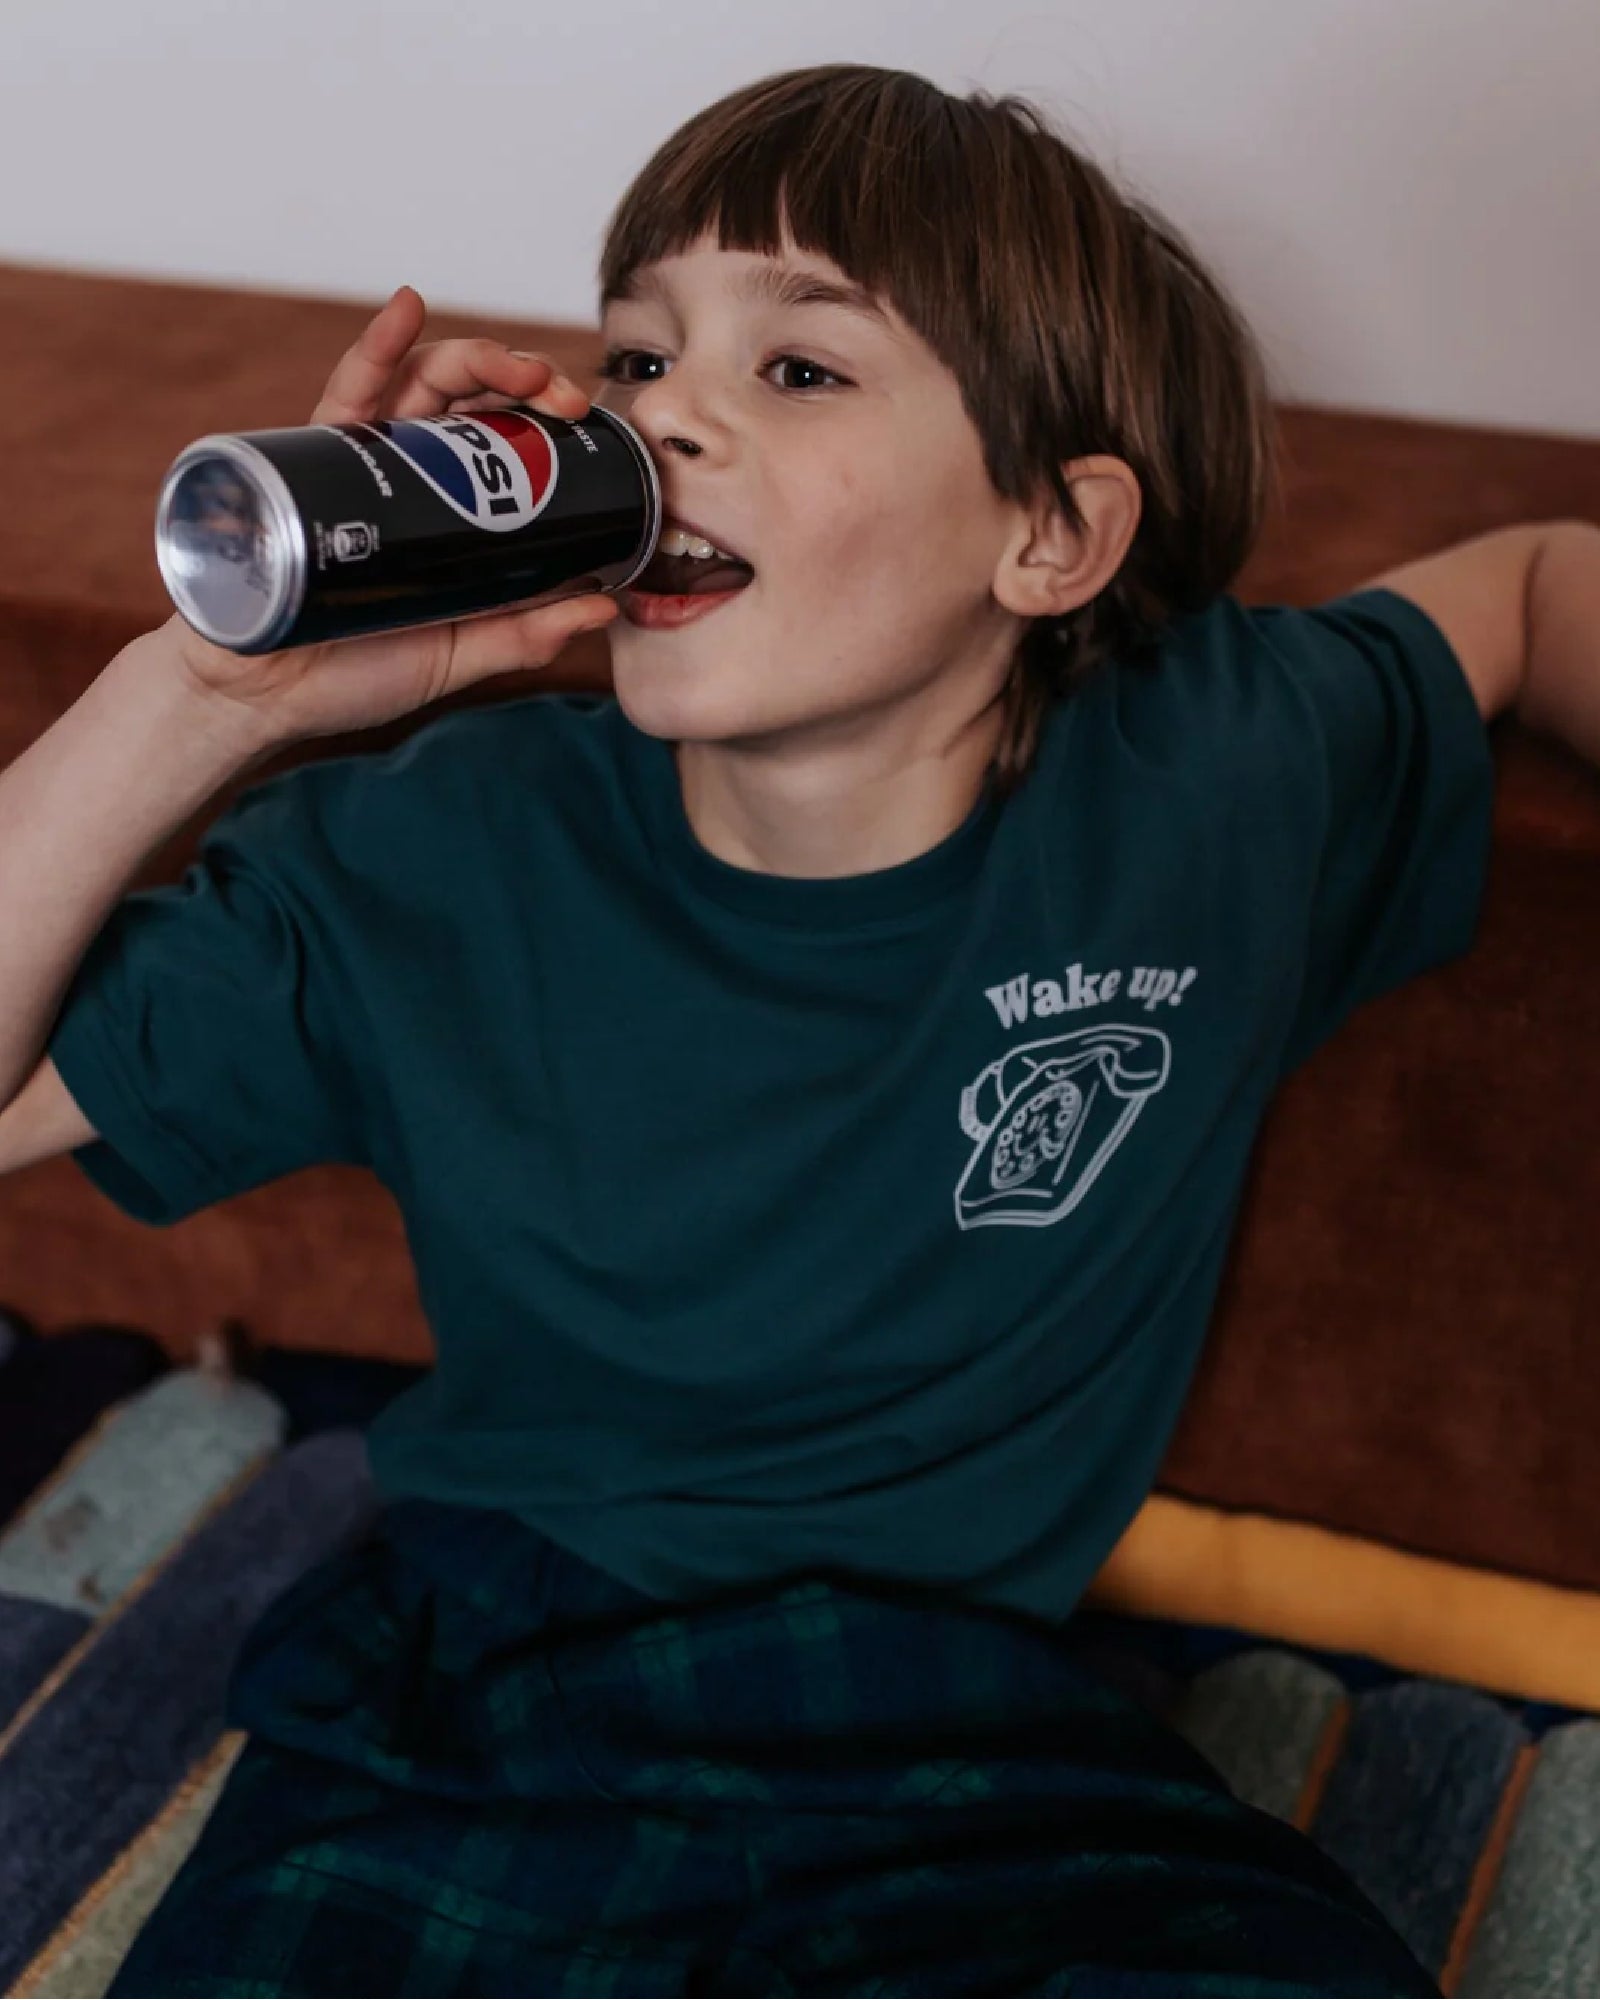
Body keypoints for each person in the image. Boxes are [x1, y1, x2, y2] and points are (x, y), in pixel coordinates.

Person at [0, 60, 1499, 1995]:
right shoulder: (444, 847)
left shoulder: (1219, 768)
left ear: (1049, 538)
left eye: (800, 369)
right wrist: (205, 703)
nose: (668, 417)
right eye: (635, 359)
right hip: (499, 1683)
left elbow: (1535, 594)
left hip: (963, 1727)